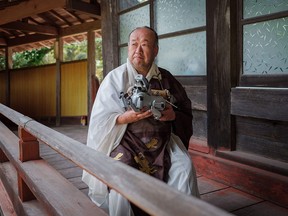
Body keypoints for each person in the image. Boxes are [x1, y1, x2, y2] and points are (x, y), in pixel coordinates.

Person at [82, 26, 199, 215]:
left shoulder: (166, 79)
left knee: (184, 168)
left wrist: (173, 116)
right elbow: (99, 122)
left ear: (155, 50)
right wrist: (123, 118)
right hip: (126, 142)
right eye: (134, 44)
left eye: (144, 45)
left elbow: (184, 109)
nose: (138, 50)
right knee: (120, 178)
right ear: (128, 48)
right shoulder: (114, 79)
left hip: (163, 141)